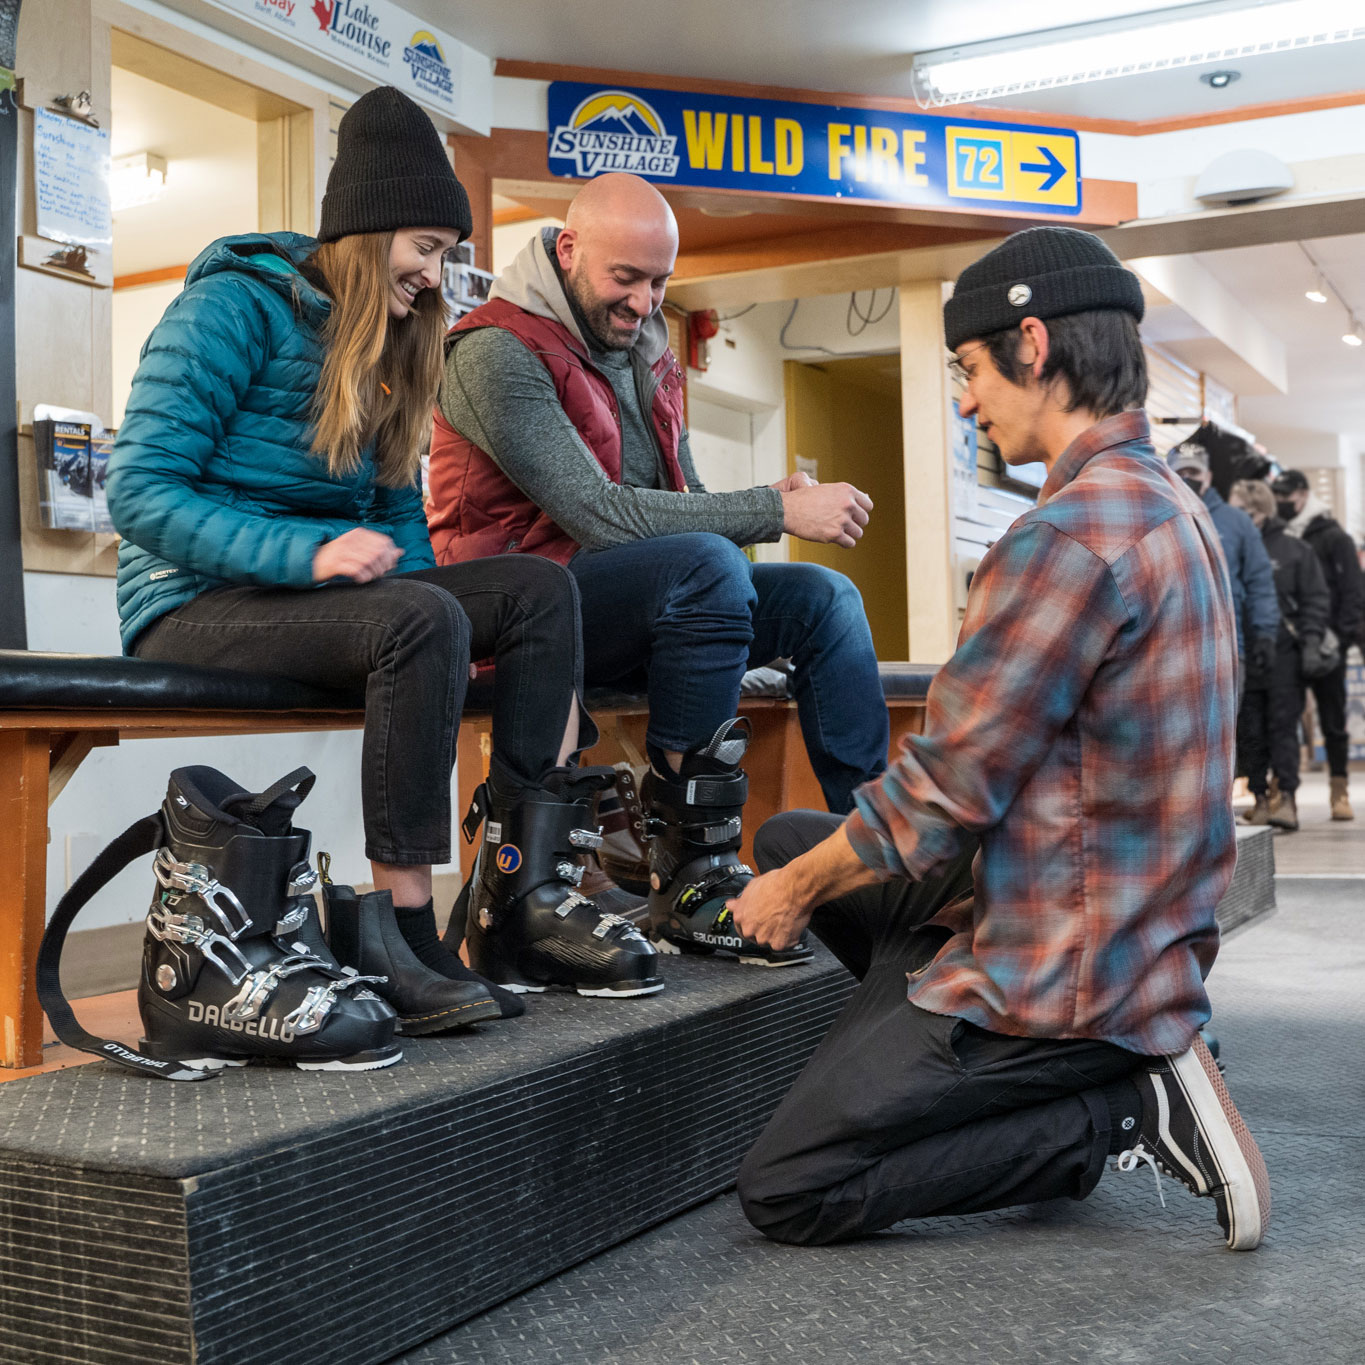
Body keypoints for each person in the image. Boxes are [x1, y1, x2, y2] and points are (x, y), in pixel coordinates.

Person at [730, 227, 1270, 1253]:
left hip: (1074, 965)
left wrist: (793, 893)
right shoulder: (1175, 507)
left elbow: (946, 795)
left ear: (1034, 344)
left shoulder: (1064, 534)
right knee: (792, 833)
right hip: (1132, 915)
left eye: (969, 371)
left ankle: (1115, 1107)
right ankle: (951, 1052)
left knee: (790, 1185)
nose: (967, 403)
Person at [107, 88, 661, 1071]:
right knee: (416, 619)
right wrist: (310, 557)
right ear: (366, 233)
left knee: (537, 591)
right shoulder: (230, 307)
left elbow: (400, 520)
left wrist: (445, 620)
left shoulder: (393, 342)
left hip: (316, 604)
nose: (434, 273)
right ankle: (398, 934)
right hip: (190, 602)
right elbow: (139, 491)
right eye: (424, 247)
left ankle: (520, 891)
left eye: (447, 253)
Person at [427, 172, 889, 971]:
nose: (644, 303)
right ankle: (693, 875)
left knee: (824, 597)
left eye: (660, 282)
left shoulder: (642, 354)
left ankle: (875, 856)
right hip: (524, 615)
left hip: (641, 601)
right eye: (626, 278)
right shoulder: (493, 351)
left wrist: (766, 504)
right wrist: (772, 511)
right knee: (707, 564)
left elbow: (692, 512)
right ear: (567, 250)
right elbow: (597, 515)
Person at [1228, 479, 1330, 831]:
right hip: (1241, 652)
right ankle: (1259, 796)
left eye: (1247, 512)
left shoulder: (1293, 549)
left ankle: (1286, 796)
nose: (1241, 518)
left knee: (1283, 726)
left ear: (1263, 511)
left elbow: (1315, 599)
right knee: (1249, 729)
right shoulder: (1227, 546)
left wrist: (1312, 642)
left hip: (1284, 655)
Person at [1270, 468, 1365, 820]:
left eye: (1287, 495)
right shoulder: (1278, 535)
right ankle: (1283, 793)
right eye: (1277, 495)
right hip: (1288, 644)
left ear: (1304, 494)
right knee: (1283, 720)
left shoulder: (1334, 536)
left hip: (1327, 645)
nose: (1282, 502)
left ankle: (1339, 790)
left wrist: (1339, 638)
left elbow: (1354, 592)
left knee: (1333, 720)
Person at [1168, 442, 1279, 693]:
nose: (1187, 478)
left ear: (1208, 476)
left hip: (1226, 649)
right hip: (1166, 652)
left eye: (1194, 472)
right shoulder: (1153, 518)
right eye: (1180, 472)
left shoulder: (1237, 522)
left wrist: (1265, 633)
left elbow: (1259, 581)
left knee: (1225, 718)